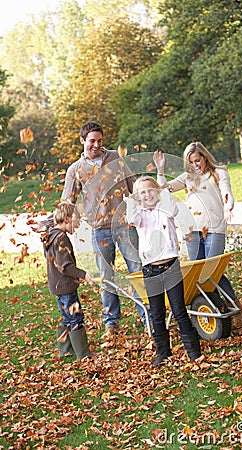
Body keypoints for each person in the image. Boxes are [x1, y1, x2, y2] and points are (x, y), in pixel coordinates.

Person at [35, 120, 147, 338]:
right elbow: (66, 203)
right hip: (99, 229)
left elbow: (134, 184)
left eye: (99, 140)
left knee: (137, 270)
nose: (96, 145)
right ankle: (111, 323)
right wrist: (48, 223)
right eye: (91, 141)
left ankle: (148, 318)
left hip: (124, 225)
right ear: (82, 141)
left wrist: (152, 199)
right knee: (107, 277)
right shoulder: (75, 170)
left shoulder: (115, 158)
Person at [153, 142, 242, 328]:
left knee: (214, 272)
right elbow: (164, 188)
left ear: (205, 157)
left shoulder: (219, 173)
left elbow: (226, 191)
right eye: (191, 162)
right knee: (198, 274)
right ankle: (209, 310)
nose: (195, 165)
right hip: (193, 232)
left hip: (214, 229)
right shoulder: (188, 177)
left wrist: (228, 206)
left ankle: (238, 310)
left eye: (198, 160)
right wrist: (160, 170)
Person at [124, 175, 201, 366]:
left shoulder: (165, 210)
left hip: (171, 266)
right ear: (138, 197)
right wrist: (130, 202)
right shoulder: (140, 216)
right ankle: (163, 353)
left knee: (179, 310)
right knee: (156, 313)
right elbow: (130, 218)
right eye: (142, 192)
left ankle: (193, 351)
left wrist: (160, 172)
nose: (148, 194)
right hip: (151, 270)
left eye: (151, 190)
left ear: (157, 191)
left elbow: (172, 207)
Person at [43, 202, 95, 360]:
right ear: (66, 219)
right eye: (76, 221)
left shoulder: (50, 235)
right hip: (66, 286)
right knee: (76, 318)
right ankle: (83, 354)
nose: (78, 225)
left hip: (58, 286)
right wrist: (83, 274)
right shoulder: (62, 238)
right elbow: (65, 267)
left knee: (67, 317)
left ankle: (66, 350)